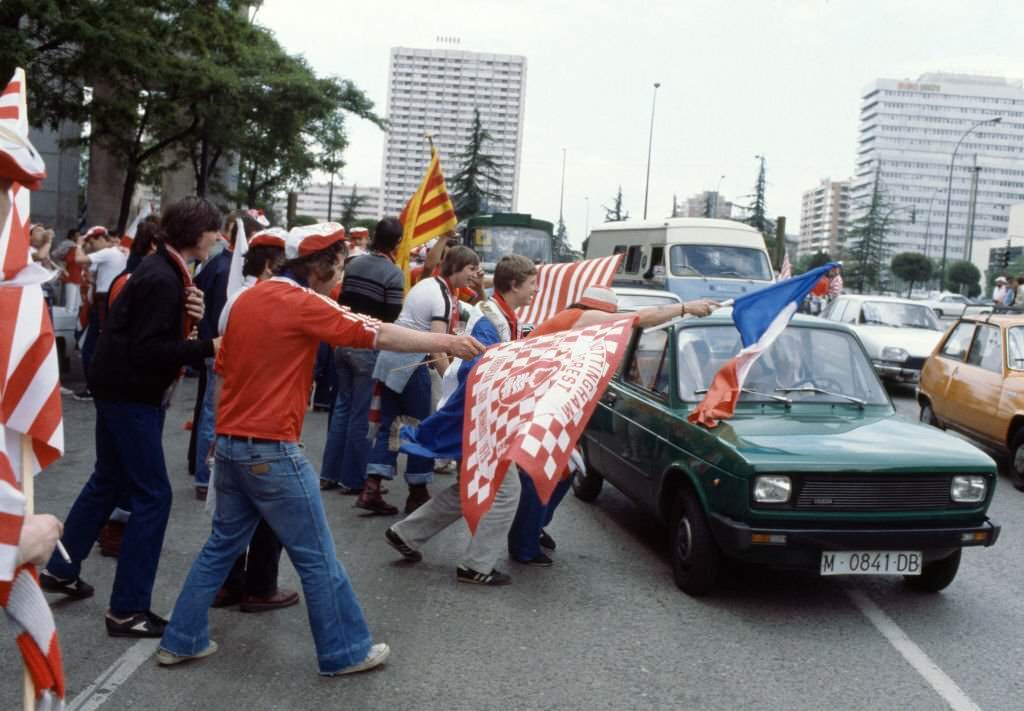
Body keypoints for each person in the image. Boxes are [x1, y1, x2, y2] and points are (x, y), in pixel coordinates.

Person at [156, 225, 484, 674]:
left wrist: (220, 440)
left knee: (220, 547)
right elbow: (376, 333)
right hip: (270, 449)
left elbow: (225, 371)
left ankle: (181, 639)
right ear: (321, 263)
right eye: (340, 264)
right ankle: (345, 651)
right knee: (317, 556)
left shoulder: (248, 299)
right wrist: (448, 341)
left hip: (232, 446)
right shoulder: (301, 301)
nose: (341, 276)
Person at [40, 197, 221, 638]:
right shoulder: (163, 276)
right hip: (130, 394)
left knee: (108, 480)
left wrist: (189, 319)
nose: (219, 238)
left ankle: (61, 568)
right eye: (215, 231)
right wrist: (208, 346)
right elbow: (149, 349)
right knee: (153, 496)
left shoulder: (163, 269)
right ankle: (127, 608)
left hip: (118, 388)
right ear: (198, 235)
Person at [504, 286, 719, 566]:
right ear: (600, 310)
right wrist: (686, 307)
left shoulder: (578, 323)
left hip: (546, 405)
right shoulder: (582, 318)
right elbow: (640, 318)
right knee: (542, 474)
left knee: (566, 470)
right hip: (534, 404)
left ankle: (533, 527)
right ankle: (523, 544)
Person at [385, 254, 538, 586]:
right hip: (482, 421)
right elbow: (478, 376)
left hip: (483, 419)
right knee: (505, 490)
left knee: (469, 487)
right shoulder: (490, 320)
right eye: (531, 284)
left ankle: (406, 534)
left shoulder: (499, 316)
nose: (535, 291)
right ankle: (476, 565)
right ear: (513, 285)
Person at [359, 245, 482, 515]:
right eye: (471, 269)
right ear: (457, 267)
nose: (475, 275)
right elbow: (438, 344)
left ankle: (371, 487)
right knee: (421, 427)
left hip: (390, 361)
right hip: (410, 365)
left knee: (390, 425)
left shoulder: (430, 284)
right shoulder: (442, 296)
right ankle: (417, 492)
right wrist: (454, 381)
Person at [320, 217, 405, 494]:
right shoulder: (394, 274)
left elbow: (343, 301)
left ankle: (329, 473)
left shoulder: (354, 264)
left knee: (342, 409)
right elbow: (392, 318)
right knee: (361, 414)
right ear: (398, 243)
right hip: (368, 346)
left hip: (343, 342)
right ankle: (353, 478)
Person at [192, 214, 262, 500]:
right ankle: (204, 474)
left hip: (214, 345)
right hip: (217, 347)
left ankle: (204, 471)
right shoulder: (222, 267)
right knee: (213, 411)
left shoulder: (216, 265)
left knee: (213, 409)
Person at [73, 226, 128, 401]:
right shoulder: (116, 254)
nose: (90, 246)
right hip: (108, 299)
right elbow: (96, 277)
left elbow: (78, 259)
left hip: (104, 301)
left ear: (100, 239)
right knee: (100, 344)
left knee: (92, 347)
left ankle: (93, 386)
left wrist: (79, 245)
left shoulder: (109, 253)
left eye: (91, 242)